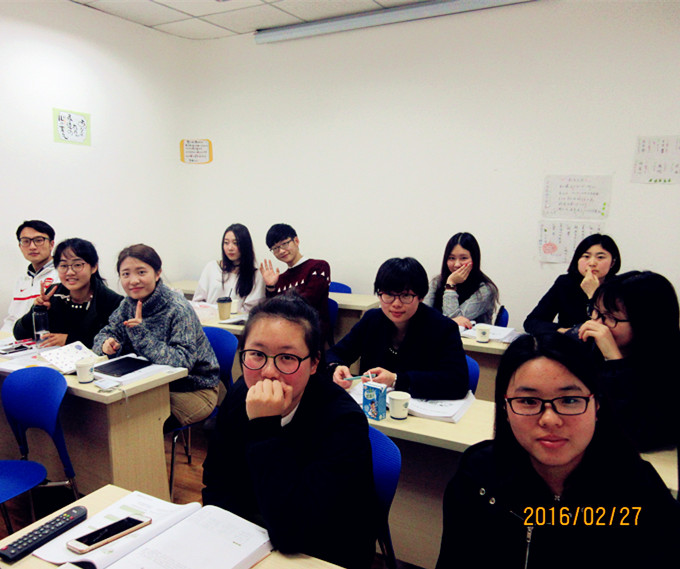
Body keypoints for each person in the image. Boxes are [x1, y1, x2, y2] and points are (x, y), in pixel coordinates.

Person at [436, 333, 680, 569]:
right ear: (505, 408)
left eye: (570, 400)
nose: (550, 420)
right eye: (528, 401)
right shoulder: (478, 474)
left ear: (597, 405)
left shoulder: (639, 489)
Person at [202, 295, 376, 569]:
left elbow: (296, 532)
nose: (268, 372)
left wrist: (264, 428)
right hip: (249, 543)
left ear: (314, 363)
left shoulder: (343, 422)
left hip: (320, 554)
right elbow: (217, 484)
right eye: (257, 354)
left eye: (287, 357)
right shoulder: (239, 397)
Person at [93, 244, 219, 428]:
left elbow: (183, 361)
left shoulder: (177, 308)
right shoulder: (127, 305)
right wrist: (107, 344)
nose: (133, 280)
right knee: (104, 412)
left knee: (130, 420)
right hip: (147, 386)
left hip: (193, 389)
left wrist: (141, 335)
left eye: (141, 272)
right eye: (126, 274)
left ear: (157, 273)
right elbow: (104, 334)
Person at [327, 257, 469, 400]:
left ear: (421, 296)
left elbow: (458, 382)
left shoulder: (442, 328)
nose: (396, 304)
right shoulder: (371, 320)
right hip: (373, 408)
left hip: (419, 409)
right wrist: (335, 367)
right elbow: (334, 354)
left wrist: (396, 380)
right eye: (389, 295)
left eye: (405, 296)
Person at [578, 270, 680, 451]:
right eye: (596, 311)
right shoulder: (591, 346)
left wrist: (615, 362)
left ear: (646, 323)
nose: (597, 324)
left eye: (610, 317)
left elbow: (644, 437)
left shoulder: (668, 364)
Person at [13, 238, 123, 348]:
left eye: (78, 265)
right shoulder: (53, 293)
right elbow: (20, 334)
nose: (70, 272)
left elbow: (118, 341)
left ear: (94, 267)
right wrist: (37, 310)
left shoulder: (111, 301)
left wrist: (69, 339)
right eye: (63, 266)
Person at [524, 234, 621, 335]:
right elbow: (532, 322)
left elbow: (615, 328)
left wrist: (593, 295)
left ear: (612, 263)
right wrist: (563, 331)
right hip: (569, 342)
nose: (592, 263)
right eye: (586, 256)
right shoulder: (565, 283)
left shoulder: (621, 287)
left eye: (600, 257)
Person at [259, 223, 330, 338]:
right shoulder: (280, 279)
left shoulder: (318, 267)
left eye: (284, 244)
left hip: (311, 333)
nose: (281, 251)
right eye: (275, 248)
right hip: (283, 332)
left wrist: (281, 304)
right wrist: (271, 287)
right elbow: (272, 310)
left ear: (296, 241)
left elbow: (308, 303)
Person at [424, 232, 499, 327]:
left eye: (463, 258)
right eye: (452, 258)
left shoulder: (486, 290)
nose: (457, 264)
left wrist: (451, 285)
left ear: (474, 259)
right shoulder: (437, 281)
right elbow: (422, 313)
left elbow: (456, 322)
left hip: (469, 336)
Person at [2, 220, 59, 333]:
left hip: (48, 339)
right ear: (20, 246)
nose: (32, 247)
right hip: (16, 339)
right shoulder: (22, 281)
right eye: (26, 241)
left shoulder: (61, 275)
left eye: (39, 240)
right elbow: (12, 320)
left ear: (51, 244)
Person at [193, 223, 265, 312]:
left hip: (237, 321)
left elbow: (251, 311)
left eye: (236, 243)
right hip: (208, 319)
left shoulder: (255, 275)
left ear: (245, 245)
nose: (230, 248)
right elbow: (197, 302)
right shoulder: (211, 268)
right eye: (226, 243)